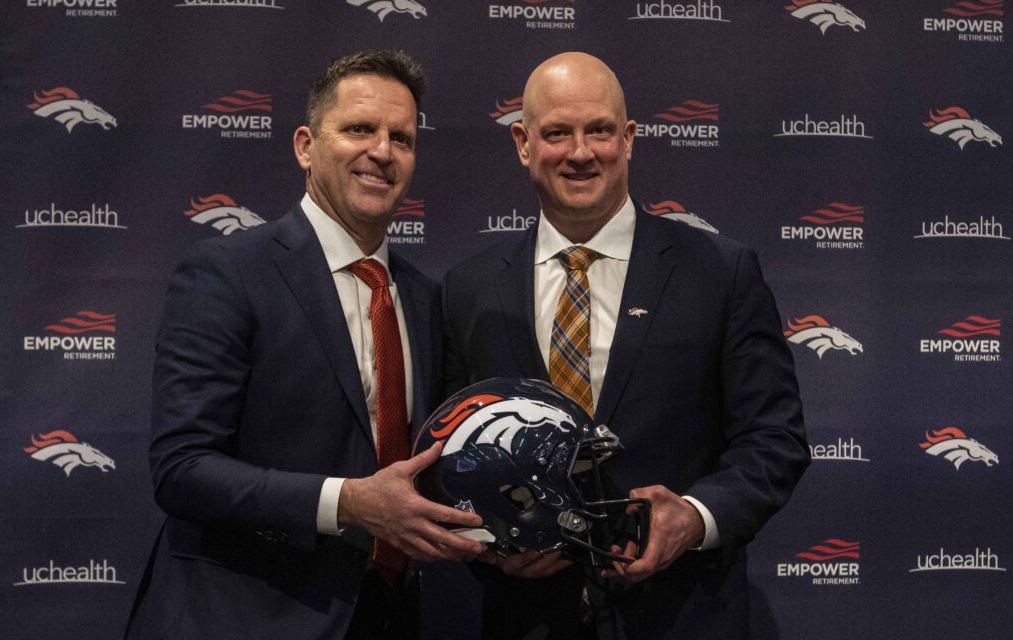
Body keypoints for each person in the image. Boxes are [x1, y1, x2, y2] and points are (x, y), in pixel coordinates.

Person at [442, 52, 809, 639]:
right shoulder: (468, 289)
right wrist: (488, 545)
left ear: (630, 138)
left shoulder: (720, 272)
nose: (581, 152)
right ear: (523, 142)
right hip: (526, 620)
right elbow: (453, 457)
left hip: (683, 618)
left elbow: (775, 439)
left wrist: (693, 518)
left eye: (600, 131)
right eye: (557, 132)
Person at [125, 50, 484, 640]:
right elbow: (182, 469)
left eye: (402, 137)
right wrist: (348, 503)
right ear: (305, 146)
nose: (382, 152)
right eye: (359, 129)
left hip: (387, 615)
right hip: (243, 617)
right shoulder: (228, 273)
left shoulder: (421, 296)